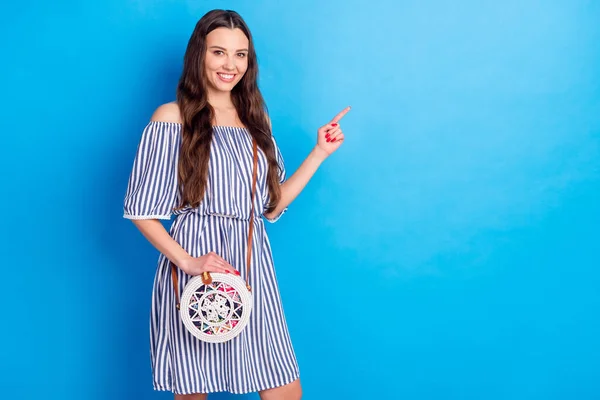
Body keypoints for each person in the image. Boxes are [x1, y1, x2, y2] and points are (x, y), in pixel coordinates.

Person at [123, 9, 349, 400]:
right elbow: (141, 210)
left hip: (252, 267)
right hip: (199, 269)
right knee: (194, 388)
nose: (230, 65)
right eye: (219, 52)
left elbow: (270, 206)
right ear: (200, 55)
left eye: (240, 55)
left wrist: (319, 153)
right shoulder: (172, 117)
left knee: (281, 383)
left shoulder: (254, 120)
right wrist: (188, 262)